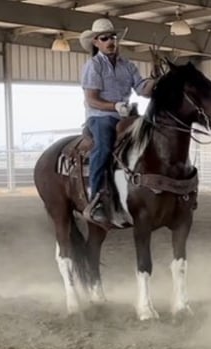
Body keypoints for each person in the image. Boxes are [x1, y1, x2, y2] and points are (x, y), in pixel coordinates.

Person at [78, 18, 155, 225]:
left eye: (112, 37)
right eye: (104, 38)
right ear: (96, 42)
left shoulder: (127, 65)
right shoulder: (93, 66)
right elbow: (91, 99)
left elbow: (142, 89)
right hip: (100, 117)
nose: (110, 41)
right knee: (103, 148)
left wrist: (155, 81)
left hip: (126, 116)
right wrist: (115, 106)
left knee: (152, 137)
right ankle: (96, 199)